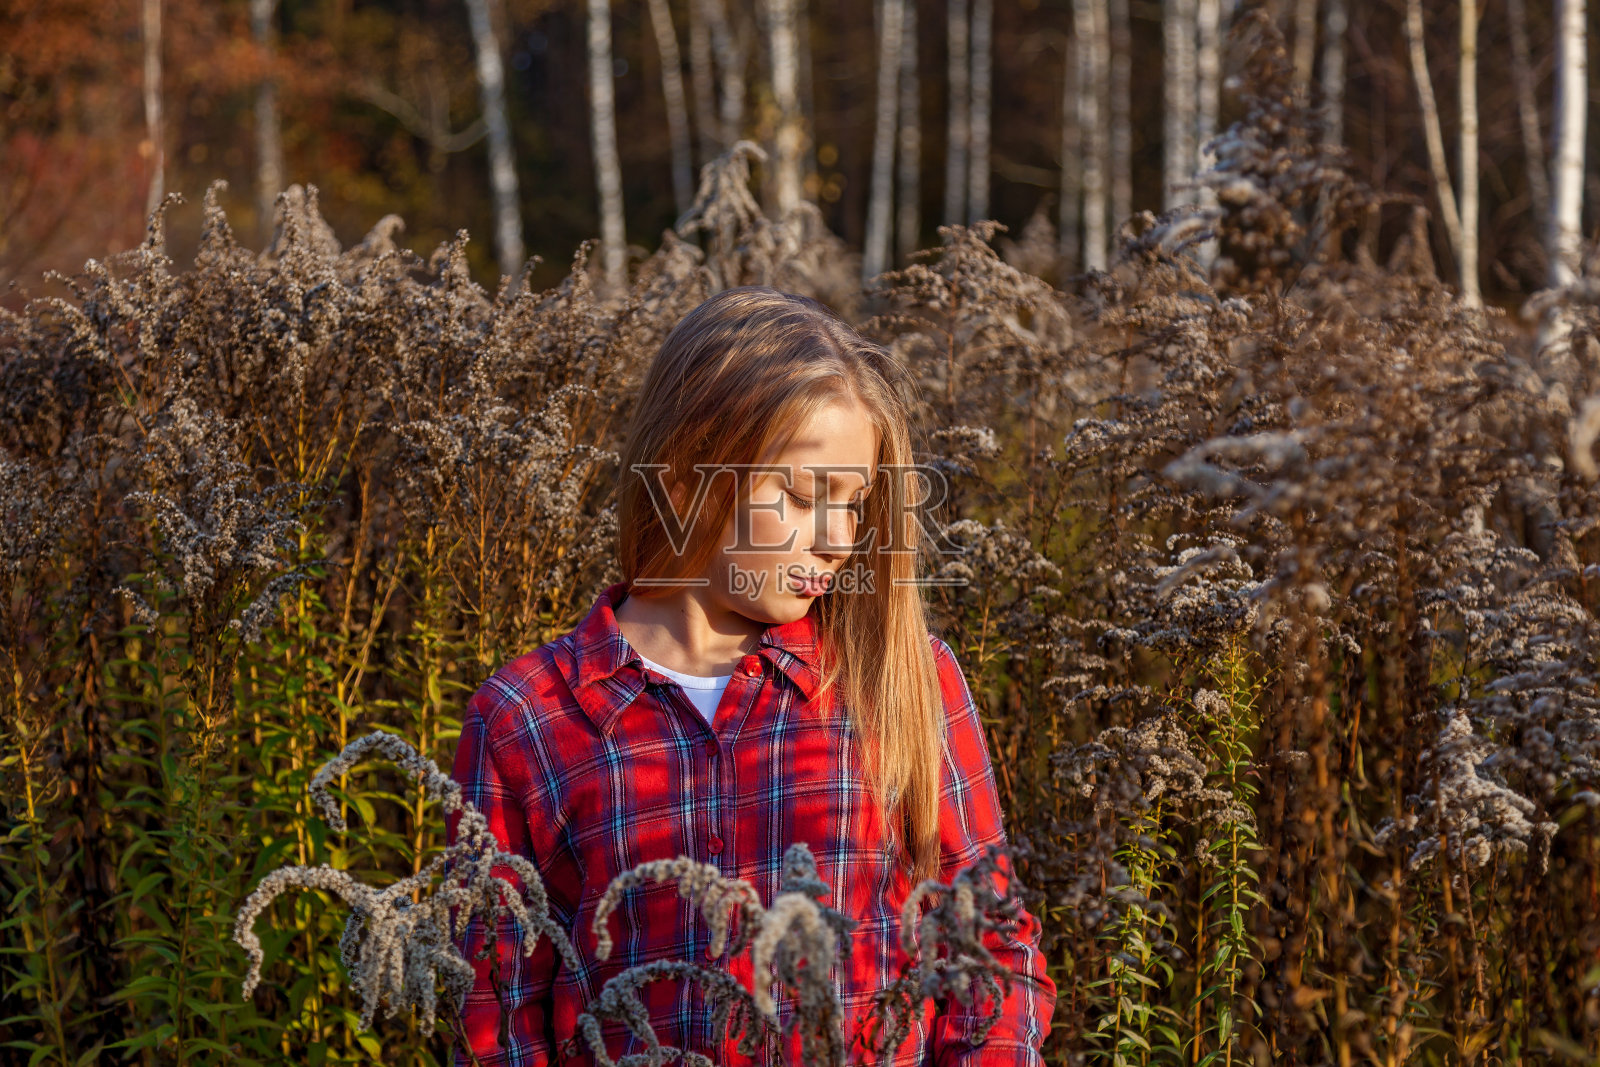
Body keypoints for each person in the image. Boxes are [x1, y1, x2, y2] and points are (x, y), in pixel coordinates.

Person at [447, 286, 1055, 1067]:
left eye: (855, 501)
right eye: (804, 495)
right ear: (684, 481)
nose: (839, 537)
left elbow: (990, 957)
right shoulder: (528, 719)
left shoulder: (901, 679)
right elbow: (498, 1015)